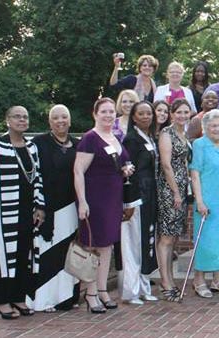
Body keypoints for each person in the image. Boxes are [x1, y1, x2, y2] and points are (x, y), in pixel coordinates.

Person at [0, 106, 46, 319]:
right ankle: (0, 300)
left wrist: (40, 207)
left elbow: (38, 178)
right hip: (3, 212)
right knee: (3, 257)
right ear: (7, 120)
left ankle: (18, 297)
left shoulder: (31, 147)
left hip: (27, 210)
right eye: (17, 116)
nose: (22, 120)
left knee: (22, 255)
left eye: (25, 116)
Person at [74, 98, 136, 313]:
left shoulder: (116, 137)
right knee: (92, 247)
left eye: (111, 112)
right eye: (104, 112)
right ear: (95, 114)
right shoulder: (89, 139)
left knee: (107, 246)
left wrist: (127, 168)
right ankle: (90, 294)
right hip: (95, 199)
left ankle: (102, 290)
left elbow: (123, 162)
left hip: (113, 199)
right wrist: (82, 201)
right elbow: (78, 171)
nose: (108, 115)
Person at [31, 105, 80, 312]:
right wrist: (38, 205)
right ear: (49, 122)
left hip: (72, 208)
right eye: (55, 118)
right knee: (48, 252)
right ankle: (45, 299)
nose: (60, 121)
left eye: (64, 117)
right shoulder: (39, 143)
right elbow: (32, 173)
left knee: (69, 253)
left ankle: (66, 298)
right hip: (49, 208)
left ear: (69, 121)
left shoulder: (78, 144)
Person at [189, 109, 219, 298]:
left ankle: (217, 280)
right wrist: (199, 201)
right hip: (209, 201)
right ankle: (199, 280)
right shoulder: (200, 145)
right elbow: (195, 173)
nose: (217, 129)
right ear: (205, 127)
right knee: (206, 241)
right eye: (213, 126)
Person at [119, 101, 159, 305]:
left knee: (147, 241)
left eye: (149, 113)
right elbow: (128, 174)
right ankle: (131, 290)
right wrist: (129, 202)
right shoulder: (131, 140)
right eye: (141, 113)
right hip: (137, 196)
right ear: (133, 117)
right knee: (134, 243)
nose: (146, 116)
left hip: (151, 195)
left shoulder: (150, 138)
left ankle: (144, 287)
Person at [155, 99, 191, 300]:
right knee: (166, 237)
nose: (183, 116)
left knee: (174, 237)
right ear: (172, 113)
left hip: (182, 189)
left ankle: (169, 278)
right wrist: (176, 192)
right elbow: (166, 165)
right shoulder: (166, 134)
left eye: (186, 112)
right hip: (169, 190)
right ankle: (166, 282)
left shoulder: (182, 134)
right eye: (179, 112)